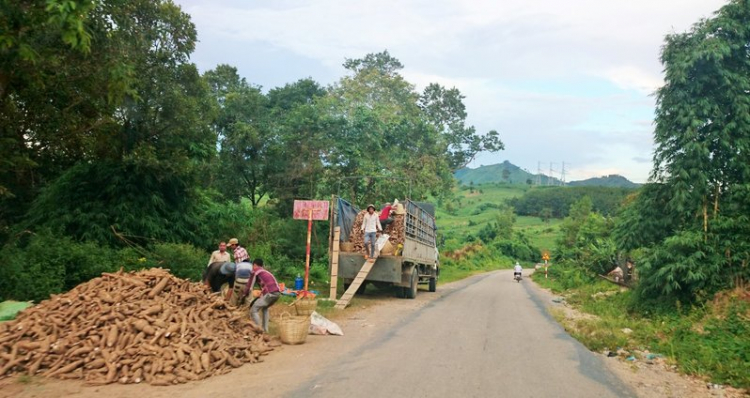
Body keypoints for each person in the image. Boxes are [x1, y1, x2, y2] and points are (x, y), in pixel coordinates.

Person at [243, 259, 281, 332]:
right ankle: (265, 330)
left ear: (254, 265)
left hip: (270, 293)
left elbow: (250, 286)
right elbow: (265, 286)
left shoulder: (255, 272)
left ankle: (259, 329)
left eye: (253, 266)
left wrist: (244, 294)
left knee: (254, 309)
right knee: (265, 308)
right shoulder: (265, 272)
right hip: (277, 293)